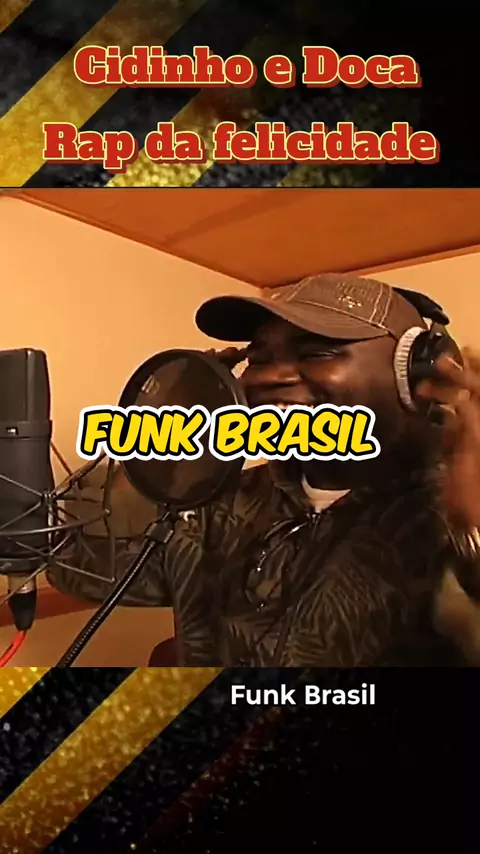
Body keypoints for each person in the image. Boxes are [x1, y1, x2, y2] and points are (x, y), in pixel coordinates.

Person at [49, 274, 480, 666]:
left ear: (414, 373)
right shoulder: (223, 499)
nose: (267, 378)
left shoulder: (452, 511)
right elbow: (79, 571)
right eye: (257, 360)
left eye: (316, 353)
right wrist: (164, 441)